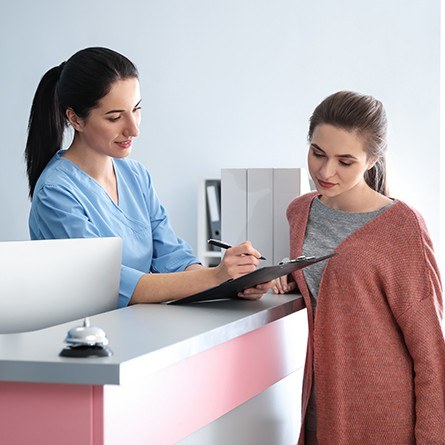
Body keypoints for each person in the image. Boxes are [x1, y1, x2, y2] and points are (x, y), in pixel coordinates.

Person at [25, 47, 272, 307]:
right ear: (75, 119)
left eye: (136, 109)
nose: (133, 129)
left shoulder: (136, 176)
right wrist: (215, 276)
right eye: (115, 117)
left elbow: (173, 258)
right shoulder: (55, 192)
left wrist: (233, 282)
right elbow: (110, 285)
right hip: (85, 338)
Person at [276, 91, 445, 444]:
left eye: (345, 161)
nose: (325, 171)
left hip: (383, 420)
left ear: (372, 160)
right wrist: (282, 279)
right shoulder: (299, 212)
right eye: (317, 153)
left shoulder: (403, 227)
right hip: (316, 409)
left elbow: (431, 351)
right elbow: (332, 294)